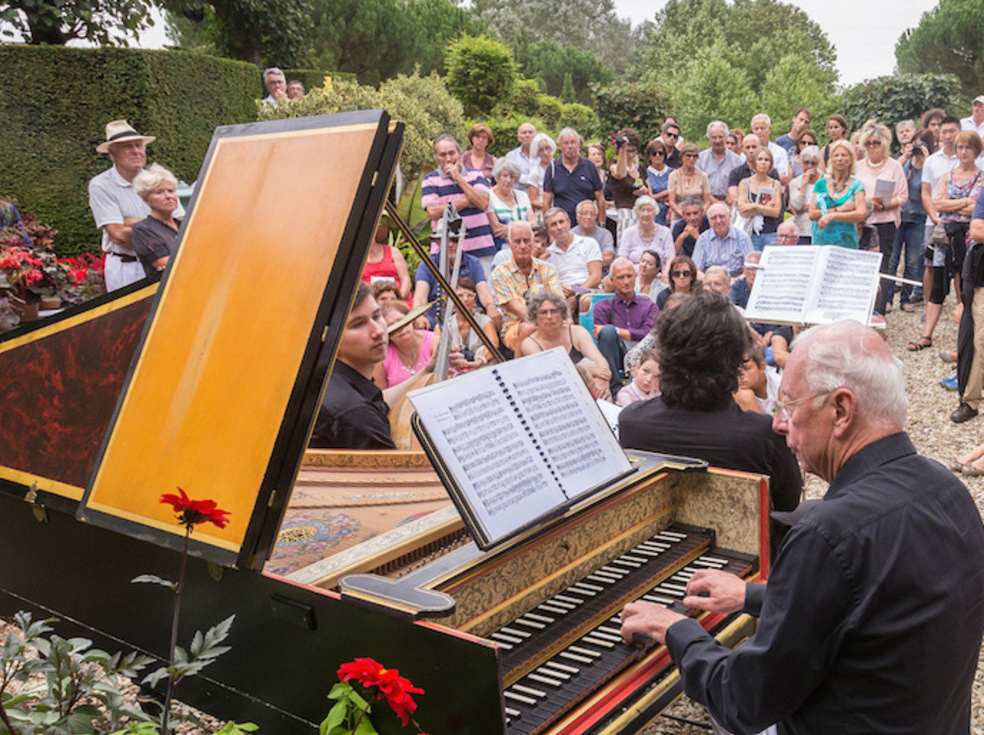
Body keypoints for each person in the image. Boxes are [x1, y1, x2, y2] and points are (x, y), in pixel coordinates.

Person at [620, 319, 984, 735]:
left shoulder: (828, 535)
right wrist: (754, 595)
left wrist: (676, 629)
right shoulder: (947, 489)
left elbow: (744, 701)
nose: (777, 423)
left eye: (788, 405)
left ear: (841, 410)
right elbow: (871, 604)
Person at [618, 289, 801, 518]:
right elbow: (788, 504)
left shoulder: (631, 421)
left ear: (664, 353)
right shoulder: (763, 435)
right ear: (735, 359)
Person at [89, 119, 184, 291]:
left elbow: (181, 225)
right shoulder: (101, 185)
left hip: (164, 262)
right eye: (127, 147)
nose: (136, 151)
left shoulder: (158, 181)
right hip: (127, 268)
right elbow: (118, 235)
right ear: (112, 152)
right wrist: (158, 227)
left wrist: (133, 222)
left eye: (139, 145)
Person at [913, 127, 984, 355]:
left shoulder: (981, 177)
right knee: (937, 287)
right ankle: (926, 334)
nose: (963, 152)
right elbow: (938, 204)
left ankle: (963, 342)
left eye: (968, 148)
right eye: (960, 147)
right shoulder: (947, 176)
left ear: (976, 151)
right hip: (945, 237)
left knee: (966, 289)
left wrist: (953, 203)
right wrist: (963, 203)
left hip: (969, 239)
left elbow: (976, 209)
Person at [310, 283, 396, 450]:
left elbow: (379, 403)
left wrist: (426, 371)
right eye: (358, 324)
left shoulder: (329, 378)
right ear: (331, 340)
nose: (378, 331)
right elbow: (396, 476)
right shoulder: (355, 412)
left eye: (377, 316)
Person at [856, 122, 908, 315]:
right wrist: (869, 202)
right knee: (861, 267)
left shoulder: (895, 166)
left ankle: (878, 311)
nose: (872, 146)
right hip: (862, 221)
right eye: (868, 142)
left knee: (883, 267)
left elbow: (902, 196)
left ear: (884, 143)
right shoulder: (858, 167)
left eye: (876, 142)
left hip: (885, 221)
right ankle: (861, 308)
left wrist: (884, 205)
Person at [519, 290, 611, 399]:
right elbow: (551, 374)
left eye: (554, 311)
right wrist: (586, 369)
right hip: (555, 393)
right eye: (543, 312)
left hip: (587, 388)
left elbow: (603, 368)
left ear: (562, 314)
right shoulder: (529, 343)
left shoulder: (577, 332)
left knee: (603, 390)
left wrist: (601, 381)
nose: (549, 317)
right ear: (535, 317)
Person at [490, 220, 563, 353]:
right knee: (528, 328)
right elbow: (520, 310)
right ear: (509, 243)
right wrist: (545, 323)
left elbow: (558, 302)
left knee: (572, 328)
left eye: (526, 240)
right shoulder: (500, 272)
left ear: (533, 241)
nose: (523, 246)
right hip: (516, 327)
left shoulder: (548, 269)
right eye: (517, 241)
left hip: (550, 322)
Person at [422, 134, 494, 266]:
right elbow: (433, 213)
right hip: (446, 253)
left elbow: (483, 203)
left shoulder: (476, 174)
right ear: (437, 158)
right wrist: (466, 202)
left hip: (481, 249)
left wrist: (458, 178)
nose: (448, 158)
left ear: (460, 154)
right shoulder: (430, 180)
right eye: (442, 155)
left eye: (452, 153)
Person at [412, 223, 499, 329]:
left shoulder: (473, 262)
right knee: (422, 326)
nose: (450, 244)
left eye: (455, 240)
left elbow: (484, 292)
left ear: (461, 241)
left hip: (470, 317)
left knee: (491, 322)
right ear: (438, 242)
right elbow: (420, 297)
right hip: (437, 319)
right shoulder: (427, 265)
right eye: (446, 240)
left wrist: (491, 307)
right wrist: (419, 315)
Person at [593, 257, 658, 393]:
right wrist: (616, 332)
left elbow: (648, 334)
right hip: (614, 354)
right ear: (612, 280)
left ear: (636, 276)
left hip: (642, 354)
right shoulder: (603, 306)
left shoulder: (649, 305)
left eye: (629, 276)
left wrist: (618, 331)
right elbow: (602, 335)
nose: (626, 282)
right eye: (620, 278)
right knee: (608, 332)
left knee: (611, 330)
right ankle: (614, 388)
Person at [888, 133, 930, 312]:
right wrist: (906, 155)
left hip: (919, 218)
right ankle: (887, 299)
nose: (917, 149)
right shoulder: (902, 164)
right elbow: (892, 175)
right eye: (915, 145)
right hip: (899, 215)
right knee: (892, 260)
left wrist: (927, 159)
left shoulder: (929, 166)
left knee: (913, 261)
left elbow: (935, 184)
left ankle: (905, 298)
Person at [808, 139, 866, 249]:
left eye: (844, 155)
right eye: (836, 155)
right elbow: (812, 214)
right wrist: (838, 210)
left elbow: (860, 214)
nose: (840, 159)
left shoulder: (857, 185)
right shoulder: (820, 184)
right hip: (821, 239)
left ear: (851, 160)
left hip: (846, 240)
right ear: (831, 160)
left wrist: (832, 216)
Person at [543, 128, 606, 227]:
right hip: (562, 225)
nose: (570, 146)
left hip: (587, 223)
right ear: (560, 146)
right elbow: (546, 202)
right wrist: (548, 227)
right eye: (565, 143)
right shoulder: (552, 168)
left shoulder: (589, 166)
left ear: (579, 145)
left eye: (573, 142)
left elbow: (600, 198)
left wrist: (602, 223)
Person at [131, 164, 182, 277]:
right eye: (159, 192)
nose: (168, 196)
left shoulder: (185, 225)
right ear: (146, 199)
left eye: (170, 191)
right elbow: (171, 266)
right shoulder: (143, 230)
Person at [374, 303, 436, 390]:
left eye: (401, 321)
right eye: (391, 326)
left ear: (410, 319)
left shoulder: (434, 341)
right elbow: (381, 397)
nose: (400, 328)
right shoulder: (381, 357)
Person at [737, 147, 783, 249]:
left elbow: (776, 212)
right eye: (760, 159)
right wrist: (762, 207)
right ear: (755, 162)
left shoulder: (775, 184)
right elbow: (742, 210)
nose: (763, 162)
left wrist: (753, 207)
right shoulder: (745, 183)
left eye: (766, 160)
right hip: (750, 233)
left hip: (771, 232)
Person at [487, 158, 536, 252]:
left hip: (525, 248)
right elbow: (497, 229)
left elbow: (534, 222)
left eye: (512, 177)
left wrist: (508, 229)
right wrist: (525, 228)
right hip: (502, 249)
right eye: (504, 176)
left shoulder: (522, 195)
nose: (508, 180)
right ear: (497, 177)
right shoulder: (489, 197)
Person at [450, 277, 499, 371]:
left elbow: (494, 343)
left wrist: (480, 361)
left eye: (469, 295)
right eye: (460, 295)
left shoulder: (484, 320)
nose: (465, 299)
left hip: (480, 367)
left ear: (475, 298)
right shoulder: (446, 325)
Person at [692, 202, 754, 276]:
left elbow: (751, 268)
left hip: (736, 282)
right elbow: (696, 270)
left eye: (721, 216)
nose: (718, 221)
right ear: (709, 221)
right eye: (713, 218)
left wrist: (736, 281)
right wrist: (708, 280)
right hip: (710, 282)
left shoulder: (742, 238)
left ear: (730, 217)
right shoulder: (703, 239)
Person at [609, 128, 647, 241]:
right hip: (625, 211)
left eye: (633, 150)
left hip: (640, 210)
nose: (630, 154)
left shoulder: (639, 168)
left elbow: (648, 188)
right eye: (627, 151)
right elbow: (620, 174)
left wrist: (643, 190)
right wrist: (622, 148)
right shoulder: (614, 164)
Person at [617, 196, 674, 267]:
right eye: (642, 210)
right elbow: (622, 258)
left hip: (659, 275)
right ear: (636, 213)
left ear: (656, 212)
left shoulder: (665, 232)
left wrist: (666, 273)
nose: (645, 214)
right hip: (634, 275)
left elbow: (670, 258)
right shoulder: (628, 233)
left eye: (649, 210)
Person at [361, 223, 412, 301]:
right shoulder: (357, 257)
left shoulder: (393, 251)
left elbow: (406, 280)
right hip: (369, 301)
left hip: (398, 299)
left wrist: (399, 298)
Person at [697, 121, 743, 201]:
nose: (717, 141)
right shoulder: (700, 159)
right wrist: (714, 202)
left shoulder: (737, 161)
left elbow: (741, 186)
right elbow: (698, 185)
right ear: (709, 139)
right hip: (706, 203)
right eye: (714, 137)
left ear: (726, 137)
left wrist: (729, 200)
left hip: (730, 203)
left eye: (721, 137)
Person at [727, 135, 779, 206]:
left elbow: (776, 200)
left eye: (754, 147)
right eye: (747, 147)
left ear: (760, 147)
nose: (751, 150)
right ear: (742, 150)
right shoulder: (736, 173)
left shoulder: (772, 172)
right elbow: (735, 198)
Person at [666, 143, 711, 223]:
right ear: (682, 157)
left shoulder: (703, 176)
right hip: (679, 215)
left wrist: (700, 214)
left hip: (699, 216)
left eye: (695, 156)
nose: (691, 159)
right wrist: (684, 215)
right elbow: (672, 202)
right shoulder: (674, 175)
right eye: (688, 156)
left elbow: (706, 201)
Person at [787, 145, 821, 243]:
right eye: (806, 163)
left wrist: (806, 207)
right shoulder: (794, 183)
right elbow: (797, 206)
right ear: (801, 163)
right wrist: (804, 185)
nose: (809, 166)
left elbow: (828, 206)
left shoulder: (826, 181)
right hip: (802, 231)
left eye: (813, 163)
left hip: (821, 230)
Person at [735, 344, 780, 416]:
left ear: (761, 367)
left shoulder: (779, 385)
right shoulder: (739, 391)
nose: (740, 375)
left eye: (746, 368)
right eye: (736, 370)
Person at [572, 199, 615, 268]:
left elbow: (608, 257)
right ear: (577, 216)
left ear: (596, 217)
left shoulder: (604, 234)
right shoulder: (570, 235)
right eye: (585, 213)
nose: (589, 217)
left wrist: (580, 260)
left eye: (592, 214)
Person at [750, 113, 791, 185]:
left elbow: (784, 178)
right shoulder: (748, 152)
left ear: (769, 129)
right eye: (756, 128)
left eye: (762, 128)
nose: (759, 132)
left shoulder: (780, 152)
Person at [644, 138, 675, 226]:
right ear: (649, 156)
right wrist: (666, 192)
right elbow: (649, 197)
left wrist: (657, 196)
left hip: (670, 215)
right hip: (652, 215)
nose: (658, 156)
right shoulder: (645, 173)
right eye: (654, 153)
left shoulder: (672, 172)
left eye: (660, 153)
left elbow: (677, 193)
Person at [527, 132, 557, 218]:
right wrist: (547, 206)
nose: (545, 152)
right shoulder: (535, 173)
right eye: (541, 150)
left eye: (547, 148)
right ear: (537, 153)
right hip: (543, 214)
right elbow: (532, 200)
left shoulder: (561, 167)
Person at [505, 122, 537, 191]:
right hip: (517, 196)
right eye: (524, 133)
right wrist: (534, 180)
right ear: (519, 138)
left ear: (535, 136)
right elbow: (510, 177)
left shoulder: (542, 155)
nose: (527, 135)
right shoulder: (511, 157)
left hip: (539, 197)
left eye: (530, 132)